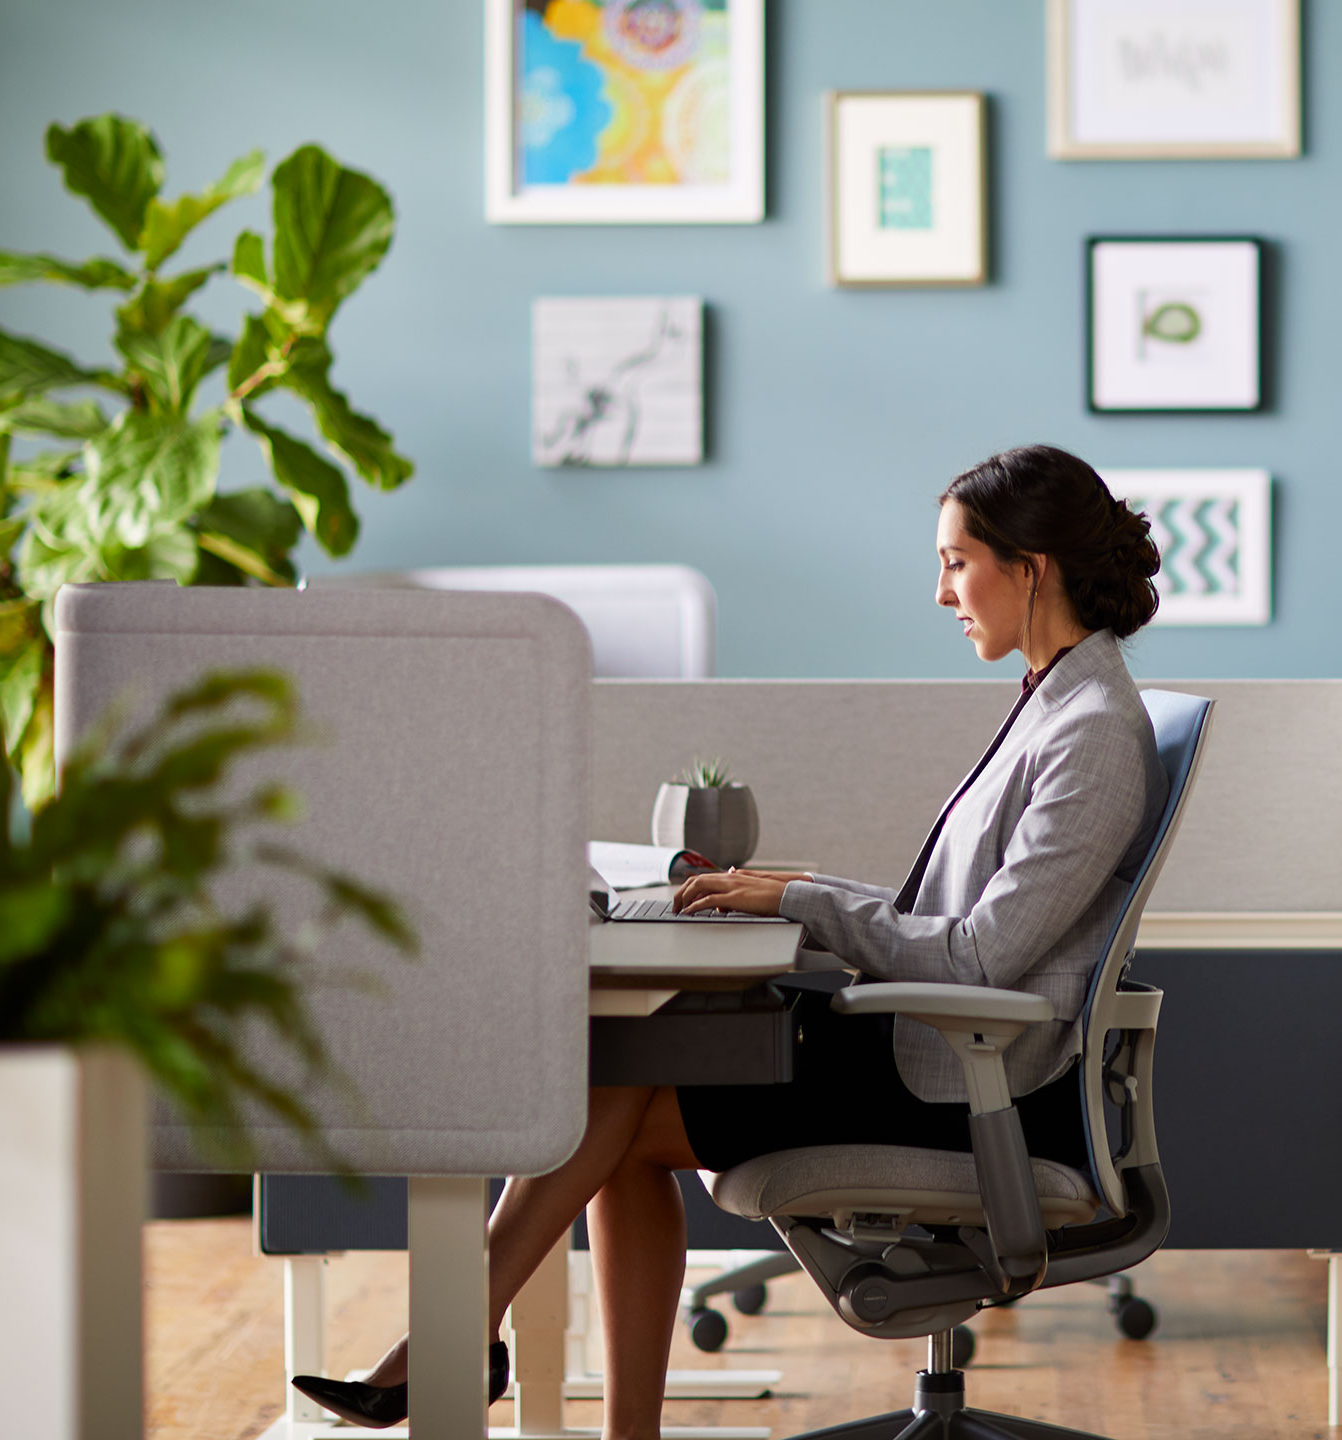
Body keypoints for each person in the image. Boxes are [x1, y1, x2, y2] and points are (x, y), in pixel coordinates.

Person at [291, 444, 1169, 1440]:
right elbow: (968, 927)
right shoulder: (1056, 702)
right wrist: (793, 893)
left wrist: (803, 898)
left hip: (972, 1084)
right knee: (618, 1087)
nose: (940, 592)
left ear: (1033, 568)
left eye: (957, 562)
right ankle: (521, 1371)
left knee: (604, 1099)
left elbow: (978, 958)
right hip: (937, 1047)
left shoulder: (1089, 730)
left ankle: (454, 1336)